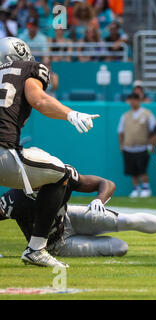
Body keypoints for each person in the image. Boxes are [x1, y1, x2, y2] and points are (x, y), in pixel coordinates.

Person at [0, 37, 99, 267]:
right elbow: (39, 99)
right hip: (3, 153)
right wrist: (70, 114)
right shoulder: (27, 68)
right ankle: (36, 249)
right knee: (62, 174)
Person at [0, 168, 156, 258]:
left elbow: (106, 183)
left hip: (69, 217)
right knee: (120, 247)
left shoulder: (62, 175)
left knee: (129, 220)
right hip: (55, 243)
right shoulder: (15, 199)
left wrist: (99, 200)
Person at [118, 93, 156, 198]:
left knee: (142, 169)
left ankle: (146, 188)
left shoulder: (147, 114)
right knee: (132, 171)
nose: (133, 102)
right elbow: (120, 132)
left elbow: (154, 130)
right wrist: (122, 145)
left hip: (143, 147)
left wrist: (152, 144)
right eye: (131, 100)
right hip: (129, 147)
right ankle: (136, 188)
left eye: (135, 99)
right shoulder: (125, 116)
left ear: (139, 101)